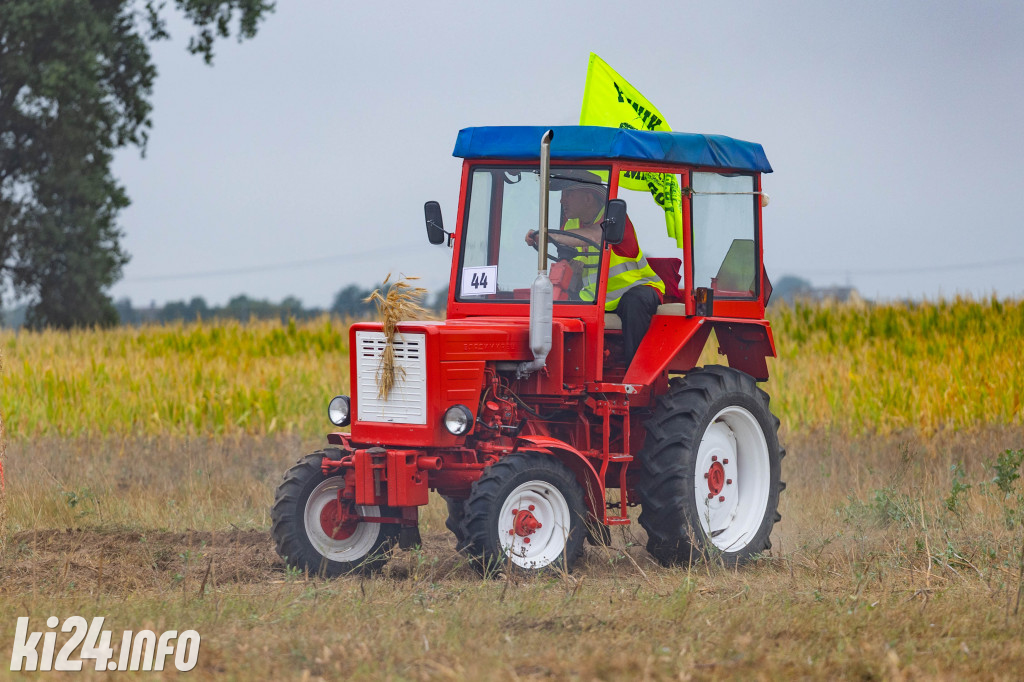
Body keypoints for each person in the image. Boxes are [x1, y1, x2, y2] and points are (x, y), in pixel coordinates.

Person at [526, 170, 664, 366]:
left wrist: (549, 235)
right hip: (595, 297)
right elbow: (575, 267)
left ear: (588, 198)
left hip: (635, 289)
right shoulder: (571, 224)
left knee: (635, 301)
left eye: (568, 194)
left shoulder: (616, 221)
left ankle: (637, 370)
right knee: (552, 303)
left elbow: (595, 236)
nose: (561, 201)